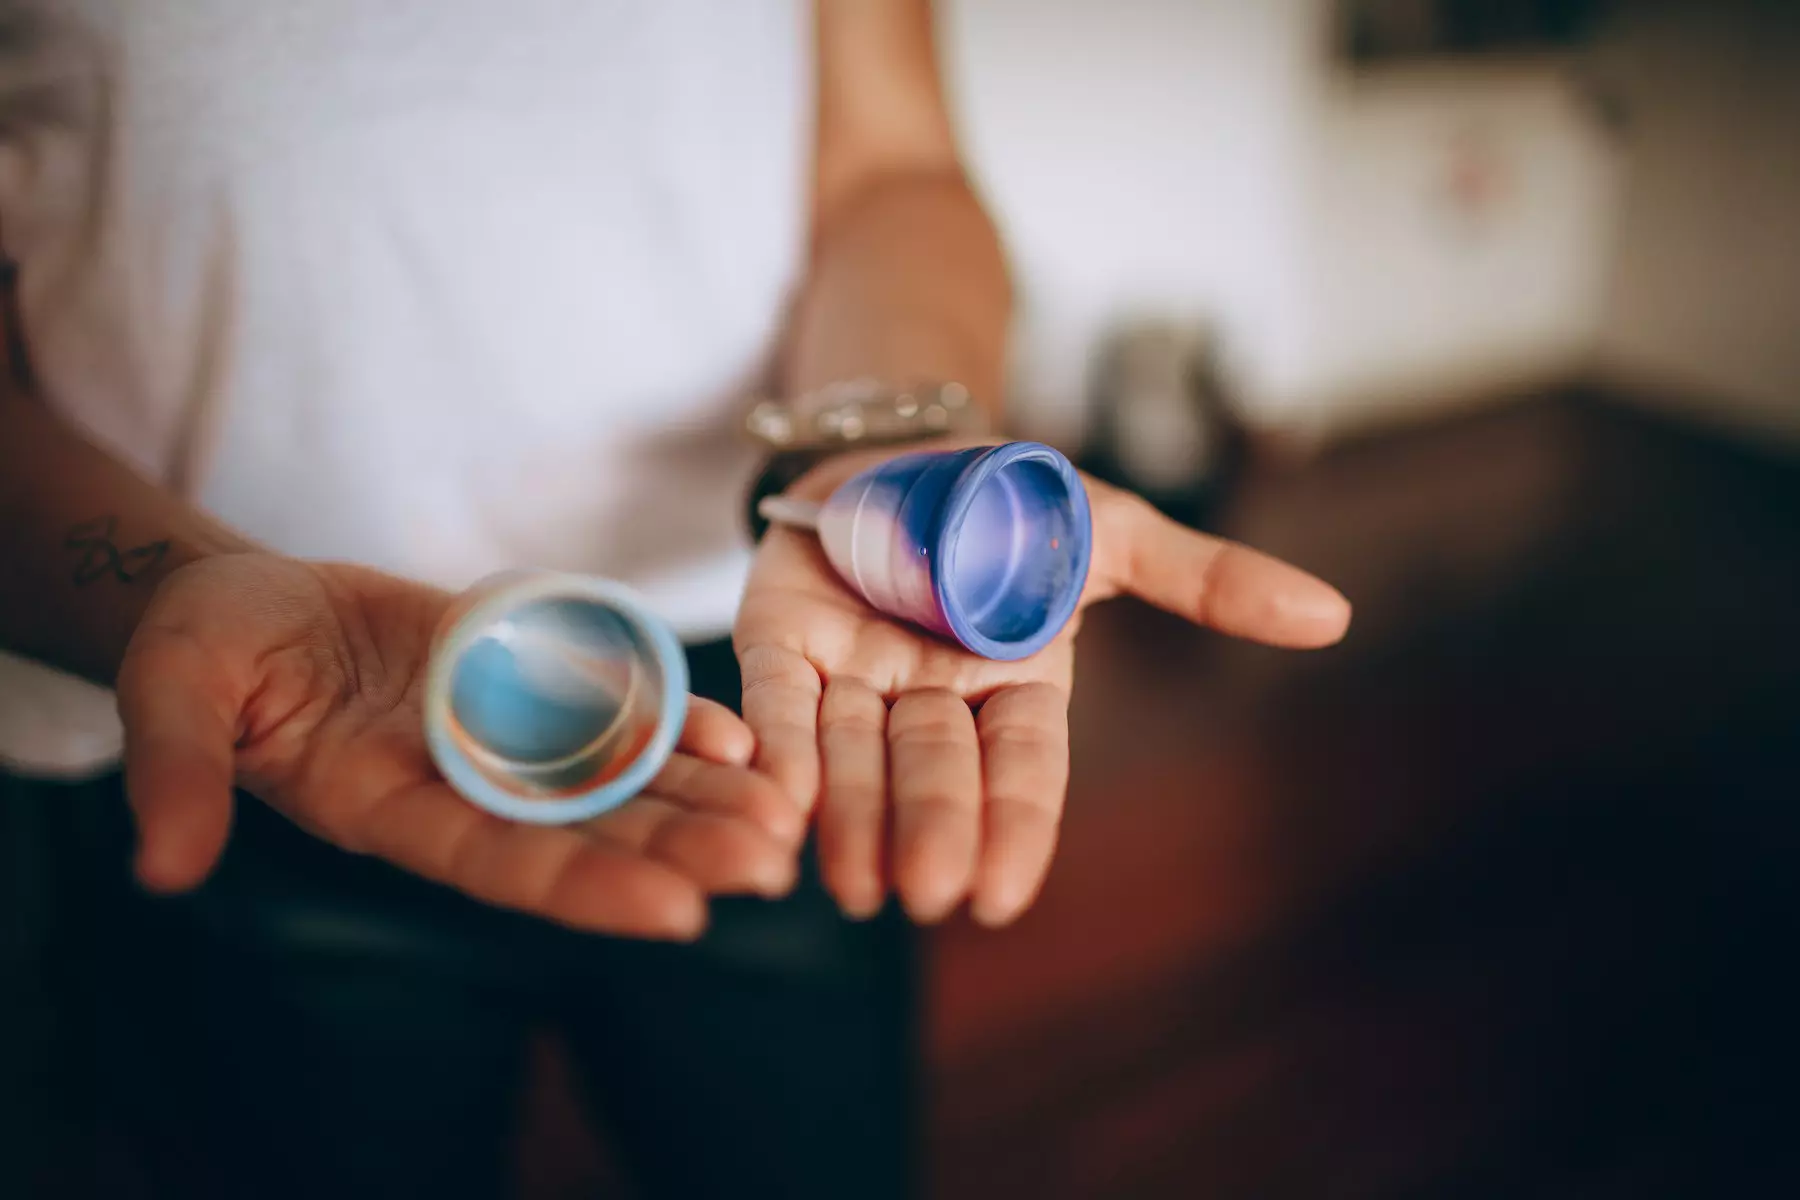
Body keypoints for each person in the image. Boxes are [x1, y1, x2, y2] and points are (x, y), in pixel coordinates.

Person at [0, 1, 1352, 1197]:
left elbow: (894, 169)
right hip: (249, 721)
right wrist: (167, 587)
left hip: (781, 701)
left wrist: (869, 456)